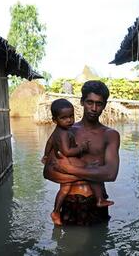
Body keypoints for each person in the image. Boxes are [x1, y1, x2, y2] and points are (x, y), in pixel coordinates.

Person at [43, 81, 120, 226]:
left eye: (99, 104)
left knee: (99, 245)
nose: (94, 108)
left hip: (97, 201)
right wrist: (93, 170)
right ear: (82, 102)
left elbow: (110, 174)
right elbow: (48, 171)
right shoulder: (66, 131)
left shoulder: (110, 135)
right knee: (67, 246)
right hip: (70, 200)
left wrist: (70, 169)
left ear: (104, 105)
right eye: (90, 102)